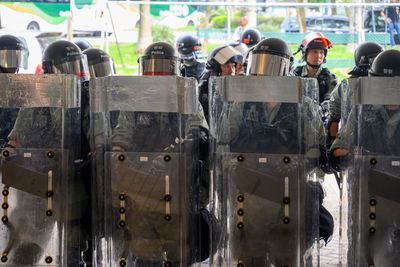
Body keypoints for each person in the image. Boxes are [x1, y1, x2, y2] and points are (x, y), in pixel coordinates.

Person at [212, 37, 332, 266]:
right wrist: (234, 167)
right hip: (249, 191)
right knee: (247, 255)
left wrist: (298, 165)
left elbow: (316, 149)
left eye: (271, 66)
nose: (265, 74)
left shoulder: (304, 105)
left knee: (287, 255)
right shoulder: (241, 103)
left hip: (287, 191)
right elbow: (223, 145)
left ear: (284, 68)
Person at [109, 42, 210, 265]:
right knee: (144, 254)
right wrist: (117, 156)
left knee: (179, 254)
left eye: (163, 68)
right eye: (152, 68)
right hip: (141, 188)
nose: (157, 74)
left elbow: (200, 132)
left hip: (176, 190)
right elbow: (121, 135)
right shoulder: (135, 102)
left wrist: (187, 142)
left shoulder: (187, 98)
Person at [330, 49, 400, 266]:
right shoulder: (361, 111)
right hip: (369, 194)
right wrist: (349, 155)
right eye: (382, 84)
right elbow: (338, 147)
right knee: (363, 251)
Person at [327, 42, 383, 149]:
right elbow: (334, 118)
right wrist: (334, 150)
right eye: (377, 60)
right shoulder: (345, 86)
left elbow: (333, 119)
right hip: (351, 142)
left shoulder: (386, 84)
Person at [293, 32, 338, 112]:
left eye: (321, 52)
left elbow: (330, 102)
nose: (318, 56)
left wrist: (317, 111)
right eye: (314, 52)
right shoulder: (294, 75)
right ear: (305, 53)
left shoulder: (330, 78)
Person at [198, 45, 243, 124]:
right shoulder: (206, 88)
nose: (231, 71)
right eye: (227, 66)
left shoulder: (238, 87)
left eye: (233, 66)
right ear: (217, 69)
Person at [0, 34, 28, 148]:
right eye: (11, 59)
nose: (16, 66)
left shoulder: (20, 87)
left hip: (14, 149)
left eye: (18, 59)